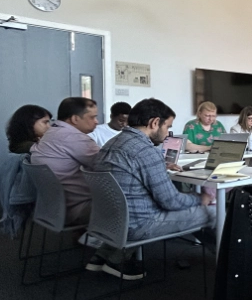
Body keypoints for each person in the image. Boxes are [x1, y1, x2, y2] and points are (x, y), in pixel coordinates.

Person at [90, 98, 213, 279]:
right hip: (138, 225)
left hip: (109, 221)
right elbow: (171, 201)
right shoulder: (146, 150)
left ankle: (104, 255)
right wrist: (200, 199)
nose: (168, 133)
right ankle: (230, 267)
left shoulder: (112, 143)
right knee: (213, 212)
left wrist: (159, 167)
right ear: (154, 123)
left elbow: (128, 172)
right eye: (167, 127)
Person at [30, 97, 100, 226]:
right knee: (138, 203)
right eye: (92, 117)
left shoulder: (50, 134)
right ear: (75, 119)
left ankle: (86, 240)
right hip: (77, 209)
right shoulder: (75, 138)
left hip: (51, 209)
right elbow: (110, 167)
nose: (97, 122)